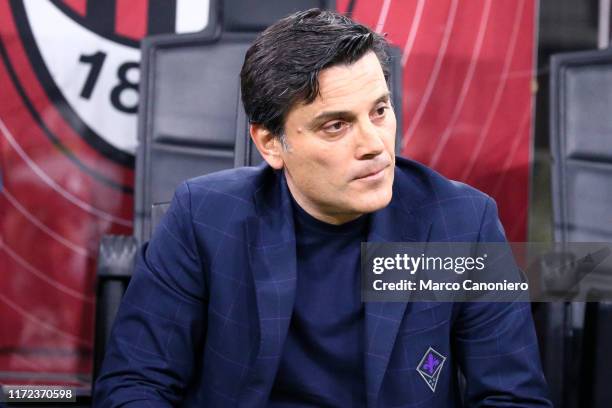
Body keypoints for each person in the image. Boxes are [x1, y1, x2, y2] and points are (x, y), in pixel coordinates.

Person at [94, 9, 551, 407]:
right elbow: (135, 382)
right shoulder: (204, 218)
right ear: (271, 143)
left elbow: (512, 397)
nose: (374, 145)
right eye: (336, 125)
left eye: (379, 110)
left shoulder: (462, 224)